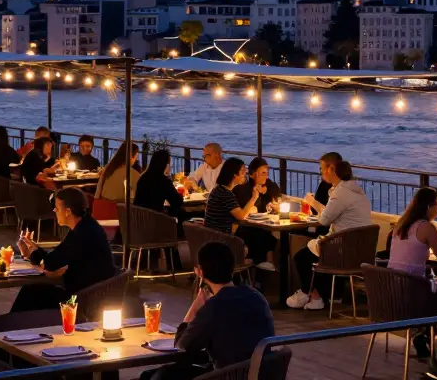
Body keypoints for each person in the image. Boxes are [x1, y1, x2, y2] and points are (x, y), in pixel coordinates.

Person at [142, 242, 275, 380]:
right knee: (150, 375)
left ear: (199, 272)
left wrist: (197, 304)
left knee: (160, 376)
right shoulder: (257, 297)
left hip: (229, 375)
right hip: (260, 373)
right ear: (232, 268)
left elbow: (181, 346)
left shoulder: (214, 306)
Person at [7, 187, 119, 314]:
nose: (54, 210)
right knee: (32, 290)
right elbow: (56, 258)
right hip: (86, 291)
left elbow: (51, 264)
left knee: (31, 293)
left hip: (85, 298)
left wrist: (33, 254)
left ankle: (8, 328)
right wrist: (32, 250)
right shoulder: (85, 225)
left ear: (68, 212)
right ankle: (14, 327)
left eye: (57, 208)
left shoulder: (83, 234)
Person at [388, 188, 437, 358]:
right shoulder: (426, 227)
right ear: (427, 206)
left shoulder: (401, 224)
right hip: (414, 296)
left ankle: (424, 333)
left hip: (392, 293)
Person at [287, 159, 372, 310]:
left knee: (302, 257)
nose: (321, 172)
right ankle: (317, 296)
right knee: (312, 252)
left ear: (331, 170)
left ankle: (308, 294)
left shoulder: (341, 193)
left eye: (322, 169)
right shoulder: (357, 192)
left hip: (341, 251)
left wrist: (311, 202)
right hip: (360, 251)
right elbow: (330, 214)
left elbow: (325, 220)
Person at [205, 158, 277, 271]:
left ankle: (259, 266)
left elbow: (240, 213)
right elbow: (241, 216)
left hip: (213, 236)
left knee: (258, 235)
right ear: (234, 174)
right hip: (224, 240)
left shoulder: (217, 190)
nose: (245, 174)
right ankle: (258, 265)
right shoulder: (227, 194)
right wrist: (254, 198)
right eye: (243, 172)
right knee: (258, 236)